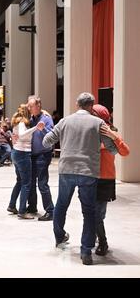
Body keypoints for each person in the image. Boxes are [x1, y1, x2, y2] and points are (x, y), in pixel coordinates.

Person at [42, 93, 117, 265]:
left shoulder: (65, 121)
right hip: (88, 172)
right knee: (89, 211)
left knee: (61, 204)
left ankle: (59, 237)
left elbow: (46, 142)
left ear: (77, 104)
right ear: (92, 106)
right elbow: (112, 149)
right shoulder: (99, 123)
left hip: (66, 170)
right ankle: (86, 253)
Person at [91, 104, 130, 256]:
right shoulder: (90, 131)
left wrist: (114, 137)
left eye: (92, 113)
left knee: (99, 214)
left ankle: (101, 241)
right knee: (93, 213)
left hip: (105, 178)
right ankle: (96, 238)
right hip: (89, 176)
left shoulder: (110, 132)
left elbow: (125, 151)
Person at [7, 104, 43, 219]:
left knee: (19, 181)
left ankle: (12, 205)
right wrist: (35, 128)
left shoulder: (17, 122)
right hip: (23, 153)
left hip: (16, 153)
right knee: (26, 183)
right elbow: (22, 135)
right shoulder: (22, 123)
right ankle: (22, 211)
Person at [26, 96, 55, 221]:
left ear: (38, 106)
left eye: (31, 106)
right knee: (31, 183)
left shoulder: (46, 119)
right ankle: (32, 206)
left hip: (43, 154)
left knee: (42, 183)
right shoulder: (30, 119)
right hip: (31, 155)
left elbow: (52, 136)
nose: (29, 108)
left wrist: (43, 130)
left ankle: (50, 211)